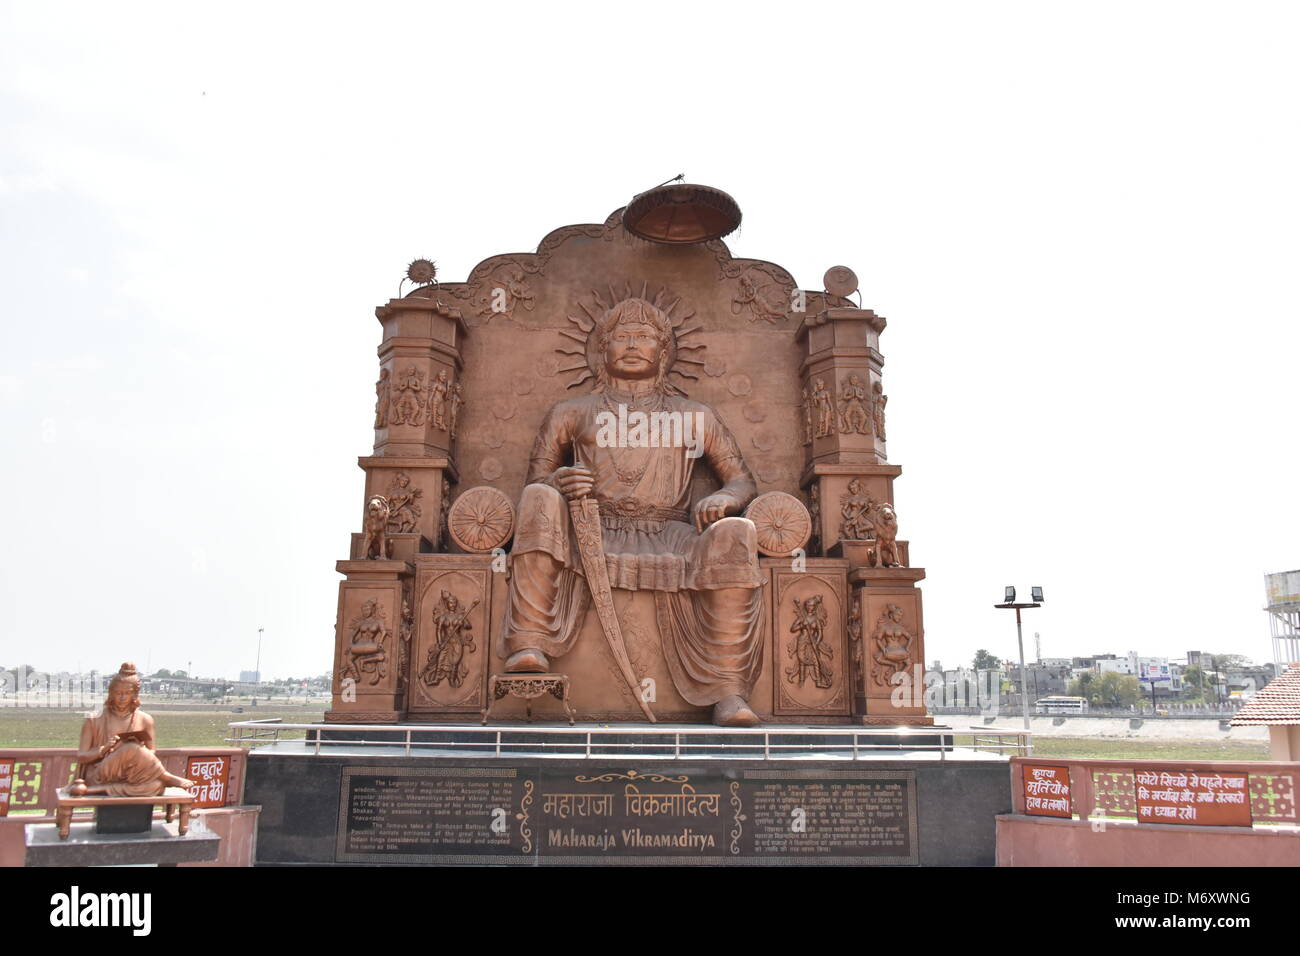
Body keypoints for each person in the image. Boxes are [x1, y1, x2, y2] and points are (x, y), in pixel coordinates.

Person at [501, 297, 764, 726]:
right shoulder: (571, 413)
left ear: (664, 351)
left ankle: (728, 691)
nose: (631, 345)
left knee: (736, 533)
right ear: (602, 350)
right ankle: (529, 643)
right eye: (621, 337)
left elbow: (741, 480)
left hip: (670, 530)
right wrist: (559, 483)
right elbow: (535, 481)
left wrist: (726, 499)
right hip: (591, 526)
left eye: (643, 337)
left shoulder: (694, 415)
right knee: (538, 500)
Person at [69, 662, 194, 797]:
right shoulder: (93, 719)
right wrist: (105, 748)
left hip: (130, 775)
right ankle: (166, 776)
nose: (122, 698)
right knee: (131, 748)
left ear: (134, 695)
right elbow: (81, 757)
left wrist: (141, 749)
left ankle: (96, 790)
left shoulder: (145, 720)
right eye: (118, 693)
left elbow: (151, 752)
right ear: (111, 693)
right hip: (100, 773)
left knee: (156, 786)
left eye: (127, 693)